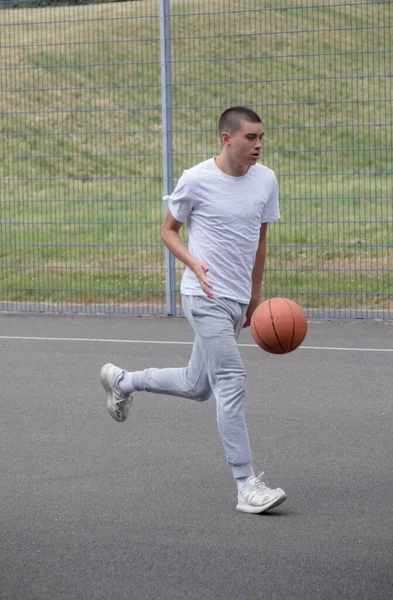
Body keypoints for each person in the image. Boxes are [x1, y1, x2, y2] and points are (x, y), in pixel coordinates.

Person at [100, 106, 287, 514]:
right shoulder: (197, 179)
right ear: (226, 138)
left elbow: (259, 244)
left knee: (197, 385)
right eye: (250, 138)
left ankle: (123, 381)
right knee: (232, 380)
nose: (258, 145)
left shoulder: (266, 180)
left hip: (237, 300)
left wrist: (254, 301)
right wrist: (193, 262)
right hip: (203, 297)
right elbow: (168, 230)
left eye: (261, 138)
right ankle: (246, 486)